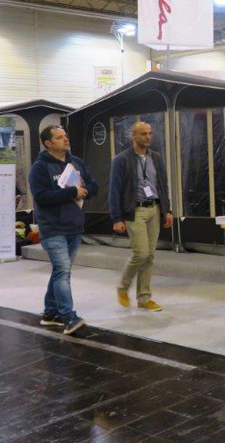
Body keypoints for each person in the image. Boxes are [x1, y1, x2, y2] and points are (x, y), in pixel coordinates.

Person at [29, 125, 98, 335]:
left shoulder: (76, 162)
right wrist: (72, 192)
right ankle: (69, 317)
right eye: (60, 137)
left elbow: (93, 185)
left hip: (74, 226)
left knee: (61, 271)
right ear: (48, 143)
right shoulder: (40, 168)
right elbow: (41, 198)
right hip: (53, 228)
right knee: (62, 271)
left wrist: (85, 191)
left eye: (66, 136)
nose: (66, 139)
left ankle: (50, 314)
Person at [109, 121, 172, 312]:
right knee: (141, 253)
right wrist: (116, 218)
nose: (148, 137)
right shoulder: (122, 159)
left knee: (150, 256)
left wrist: (167, 210)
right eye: (143, 133)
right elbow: (114, 190)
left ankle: (144, 298)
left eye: (150, 133)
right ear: (133, 136)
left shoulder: (156, 158)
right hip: (135, 211)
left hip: (154, 208)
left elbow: (162, 185)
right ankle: (123, 287)